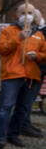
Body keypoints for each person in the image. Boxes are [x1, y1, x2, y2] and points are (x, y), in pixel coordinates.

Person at [0, 3, 46, 149]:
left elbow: (45, 54)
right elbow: (1, 49)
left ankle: (13, 134)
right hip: (12, 74)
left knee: (23, 108)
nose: (26, 15)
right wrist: (18, 38)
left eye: (30, 12)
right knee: (5, 107)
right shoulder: (8, 31)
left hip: (31, 76)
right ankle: (0, 137)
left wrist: (38, 56)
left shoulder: (39, 34)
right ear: (17, 14)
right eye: (23, 12)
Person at [20, 8, 46, 138]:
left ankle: (26, 123)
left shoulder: (40, 31)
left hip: (39, 69)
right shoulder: (37, 32)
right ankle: (23, 125)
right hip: (35, 70)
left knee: (29, 100)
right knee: (27, 100)